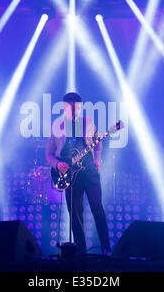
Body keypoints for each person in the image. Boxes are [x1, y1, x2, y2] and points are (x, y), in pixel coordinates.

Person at [46, 92, 111, 255]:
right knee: (75, 214)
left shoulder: (88, 122)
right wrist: (57, 164)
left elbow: (98, 142)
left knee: (97, 207)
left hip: (89, 171)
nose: (75, 112)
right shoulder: (57, 125)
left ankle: (106, 249)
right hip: (69, 173)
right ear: (64, 107)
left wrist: (97, 160)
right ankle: (81, 253)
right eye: (72, 109)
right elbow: (49, 153)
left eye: (78, 109)